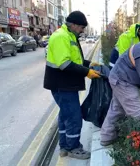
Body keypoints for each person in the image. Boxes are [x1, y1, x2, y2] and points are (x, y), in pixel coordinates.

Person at [43, 11, 101, 159]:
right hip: (62, 84)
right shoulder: (61, 37)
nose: (82, 31)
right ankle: (73, 147)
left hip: (65, 84)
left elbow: (75, 60)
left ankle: (64, 146)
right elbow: (65, 64)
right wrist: (86, 72)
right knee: (74, 117)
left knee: (65, 115)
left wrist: (89, 64)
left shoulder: (69, 36)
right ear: (74, 25)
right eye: (81, 27)